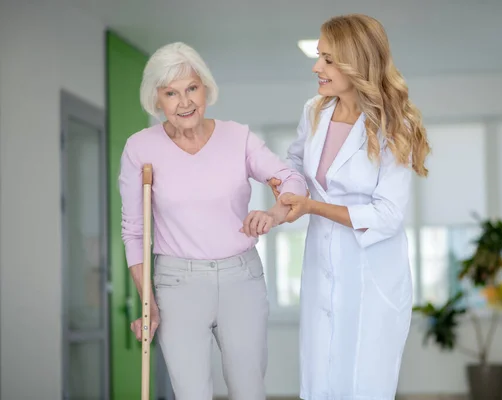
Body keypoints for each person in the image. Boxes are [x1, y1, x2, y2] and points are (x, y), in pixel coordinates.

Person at [118, 42, 307, 400]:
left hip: (243, 279)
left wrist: (274, 212)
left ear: (206, 87)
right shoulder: (140, 148)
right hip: (177, 283)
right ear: (157, 99)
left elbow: (290, 179)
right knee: (191, 394)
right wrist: (148, 301)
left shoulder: (239, 137)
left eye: (192, 88)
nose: (184, 102)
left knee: (248, 391)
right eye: (171, 93)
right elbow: (133, 232)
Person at [266, 14, 431, 400]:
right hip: (322, 263)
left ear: (355, 62)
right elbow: (295, 164)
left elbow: (387, 216)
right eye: (318, 56)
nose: (316, 66)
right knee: (319, 378)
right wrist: (280, 183)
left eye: (327, 59)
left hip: (371, 271)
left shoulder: (395, 124)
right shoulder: (315, 111)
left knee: (363, 383)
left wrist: (312, 206)